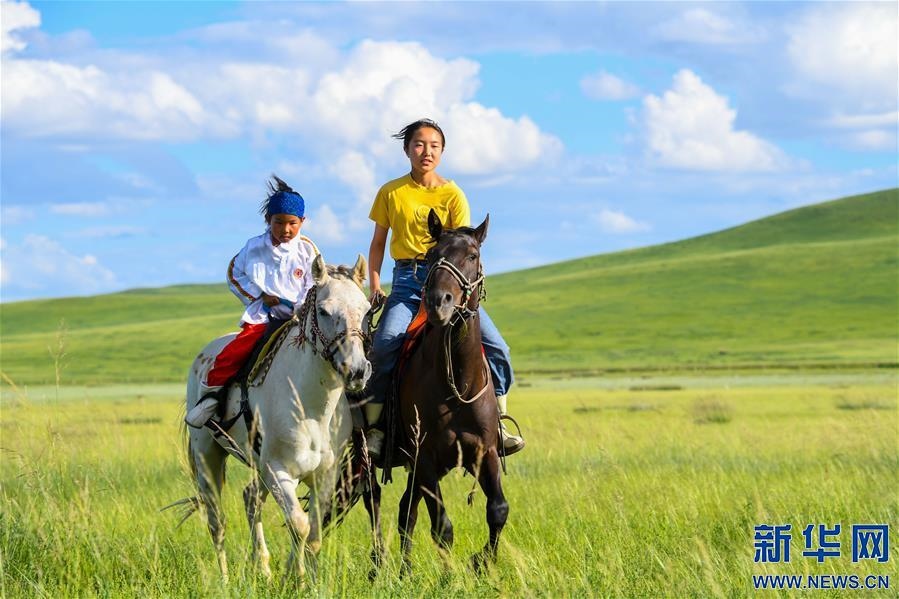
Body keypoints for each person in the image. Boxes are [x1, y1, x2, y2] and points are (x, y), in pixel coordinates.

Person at [364, 118, 524, 459]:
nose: (427, 151)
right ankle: (376, 429)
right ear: (407, 149)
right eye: (419, 144)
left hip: (450, 283)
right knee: (384, 346)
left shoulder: (453, 193)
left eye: (434, 145)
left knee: (498, 348)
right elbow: (378, 243)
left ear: (442, 151)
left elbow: (463, 244)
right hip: (407, 283)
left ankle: (499, 423)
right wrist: (375, 283)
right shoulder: (391, 192)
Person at [185, 176, 318, 428]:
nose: (286, 230)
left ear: (303, 222)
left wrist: (301, 306)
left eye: (292, 223)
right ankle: (210, 398)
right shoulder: (253, 247)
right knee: (234, 351)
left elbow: (315, 282)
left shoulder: (308, 249)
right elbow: (234, 274)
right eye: (279, 222)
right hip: (264, 316)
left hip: (300, 318)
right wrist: (259, 295)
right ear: (268, 220)